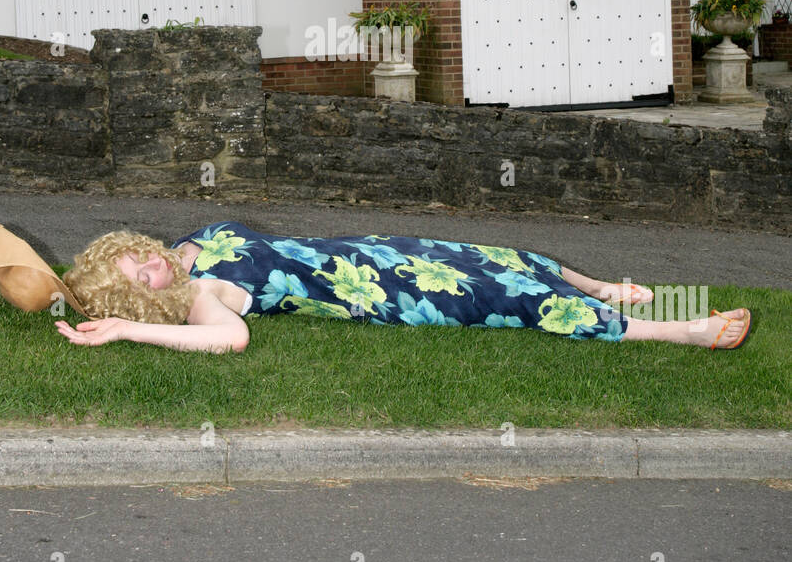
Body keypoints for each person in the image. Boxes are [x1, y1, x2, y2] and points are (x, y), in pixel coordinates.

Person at [53, 221, 752, 354]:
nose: (153, 269)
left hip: (372, 251)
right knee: (514, 298)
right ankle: (684, 329)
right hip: (376, 292)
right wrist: (124, 326)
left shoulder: (187, 250)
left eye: (137, 258)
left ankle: (608, 287)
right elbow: (230, 340)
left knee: (504, 254)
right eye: (139, 284)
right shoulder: (208, 302)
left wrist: (77, 282)